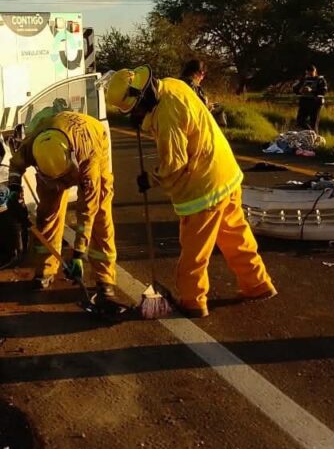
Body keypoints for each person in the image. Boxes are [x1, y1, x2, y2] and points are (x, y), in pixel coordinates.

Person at [105, 66, 275, 317]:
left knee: (194, 252)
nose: (137, 114)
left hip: (203, 188)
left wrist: (151, 180)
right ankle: (257, 284)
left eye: (136, 109)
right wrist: (146, 119)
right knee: (235, 237)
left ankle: (193, 301)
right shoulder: (174, 85)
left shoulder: (165, 115)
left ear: (144, 99)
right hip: (225, 173)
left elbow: (174, 162)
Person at [8, 111, 117, 301]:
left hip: (93, 140)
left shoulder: (88, 156)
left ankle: (105, 279)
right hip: (55, 153)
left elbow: (87, 211)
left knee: (100, 214)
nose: (61, 185)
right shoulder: (34, 146)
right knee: (47, 215)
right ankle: (46, 270)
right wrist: (14, 190)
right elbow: (15, 165)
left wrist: (78, 253)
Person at [292, 65, 328, 133]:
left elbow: (323, 91)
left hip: (315, 103)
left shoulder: (320, 80)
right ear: (306, 72)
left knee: (314, 122)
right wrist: (300, 90)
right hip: (304, 102)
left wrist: (311, 91)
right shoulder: (303, 80)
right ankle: (310, 133)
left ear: (315, 71)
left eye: (312, 72)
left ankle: (314, 137)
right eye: (308, 72)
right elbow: (295, 89)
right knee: (300, 121)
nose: (310, 74)